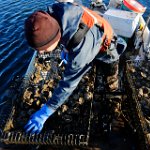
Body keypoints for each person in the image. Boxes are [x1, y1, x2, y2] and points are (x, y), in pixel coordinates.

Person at [24, 1, 127, 134]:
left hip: (107, 51)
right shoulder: (54, 13)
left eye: (43, 49)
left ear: (56, 38)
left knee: (111, 82)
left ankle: (114, 109)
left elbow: (68, 84)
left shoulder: (81, 52)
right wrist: (66, 48)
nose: (40, 53)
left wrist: (46, 110)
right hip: (91, 37)